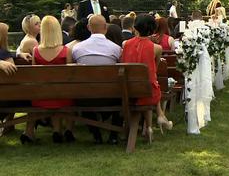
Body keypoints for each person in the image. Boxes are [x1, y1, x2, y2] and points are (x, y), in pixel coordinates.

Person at [122, 14, 173, 142]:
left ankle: (150, 126)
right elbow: (154, 69)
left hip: (127, 88)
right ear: (152, 29)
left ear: (135, 27)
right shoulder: (157, 48)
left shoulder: (125, 44)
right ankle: (157, 119)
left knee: (147, 86)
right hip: (148, 90)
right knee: (151, 85)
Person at [72, 15, 123, 144]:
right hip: (111, 96)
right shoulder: (116, 49)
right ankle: (113, 135)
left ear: (89, 27)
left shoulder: (77, 49)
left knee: (83, 92)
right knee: (122, 94)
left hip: (85, 97)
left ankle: (96, 134)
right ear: (106, 28)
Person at [27, 16, 75, 144]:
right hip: (63, 97)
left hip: (41, 97)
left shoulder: (36, 51)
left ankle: (56, 130)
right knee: (67, 93)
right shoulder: (66, 51)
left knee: (53, 92)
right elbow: (69, 77)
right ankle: (66, 129)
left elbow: (34, 76)